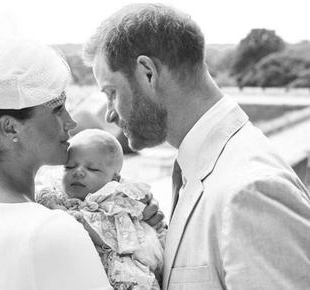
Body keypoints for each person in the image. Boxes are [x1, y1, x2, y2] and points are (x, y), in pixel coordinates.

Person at [83, 3, 310, 290]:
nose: (109, 114)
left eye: (111, 93)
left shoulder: (250, 191)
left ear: (147, 73)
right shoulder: (203, 167)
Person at [0, 37, 161, 290]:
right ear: (10, 128)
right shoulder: (54, 228)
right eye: (57, 109)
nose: (71, 121)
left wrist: (125, 215)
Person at [36, 129, 167, 290]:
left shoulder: (116, 202)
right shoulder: (54, 193)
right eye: (69, 166)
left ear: (114, 179)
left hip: (112, 273)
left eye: (92, 169)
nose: (78, 172)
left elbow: (112, 236)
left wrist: (77, 220)